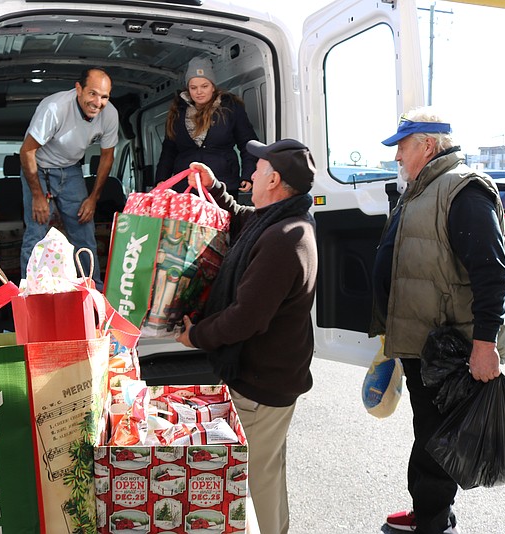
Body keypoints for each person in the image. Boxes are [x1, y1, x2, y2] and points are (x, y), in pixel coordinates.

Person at [370, 106, 505, 534]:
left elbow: (493, 274)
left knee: (436, 439)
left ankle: (432, 523)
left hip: (451, 348)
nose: (396, 156)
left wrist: (485, 346)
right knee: (431, 432)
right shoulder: (421, 188)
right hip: (423, 342)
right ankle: (432, 513)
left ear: (427, 145)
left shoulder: (462, 191)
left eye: (402, 147)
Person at [175, 139, 318, 534]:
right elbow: (241, 218)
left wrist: (197, 336)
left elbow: (246, 319)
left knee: (255, 481)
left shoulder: (284, 238)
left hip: (262, 383)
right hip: (269, 378)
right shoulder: (277, 221)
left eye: (257, 168)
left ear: (273, 180)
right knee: (268, 471)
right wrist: (216, 187)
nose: (251, 172)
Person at [19, 67, 118, 286]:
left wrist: (93, 198)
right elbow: (26, 151)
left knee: (84, 233)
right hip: (39, 168)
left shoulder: (109, 114)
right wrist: (38, 195)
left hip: (72, 170)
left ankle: (92, 294)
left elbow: (107, 157)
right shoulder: (55, 108)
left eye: (104, 96)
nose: (98, 102)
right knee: (36, 235)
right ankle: (28, 294)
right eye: (92, 93)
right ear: (78, 89)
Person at [155, 56, 259, 195]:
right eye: (193, 87)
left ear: (213, 86)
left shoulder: (230, 108)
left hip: (222, 184)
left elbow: (247, 143)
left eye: (204, 86)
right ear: (188, 88)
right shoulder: (177, 112)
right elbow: (169, 150)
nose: (199, 92)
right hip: (186, 187)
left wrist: (248, 174)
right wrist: (162, 178)